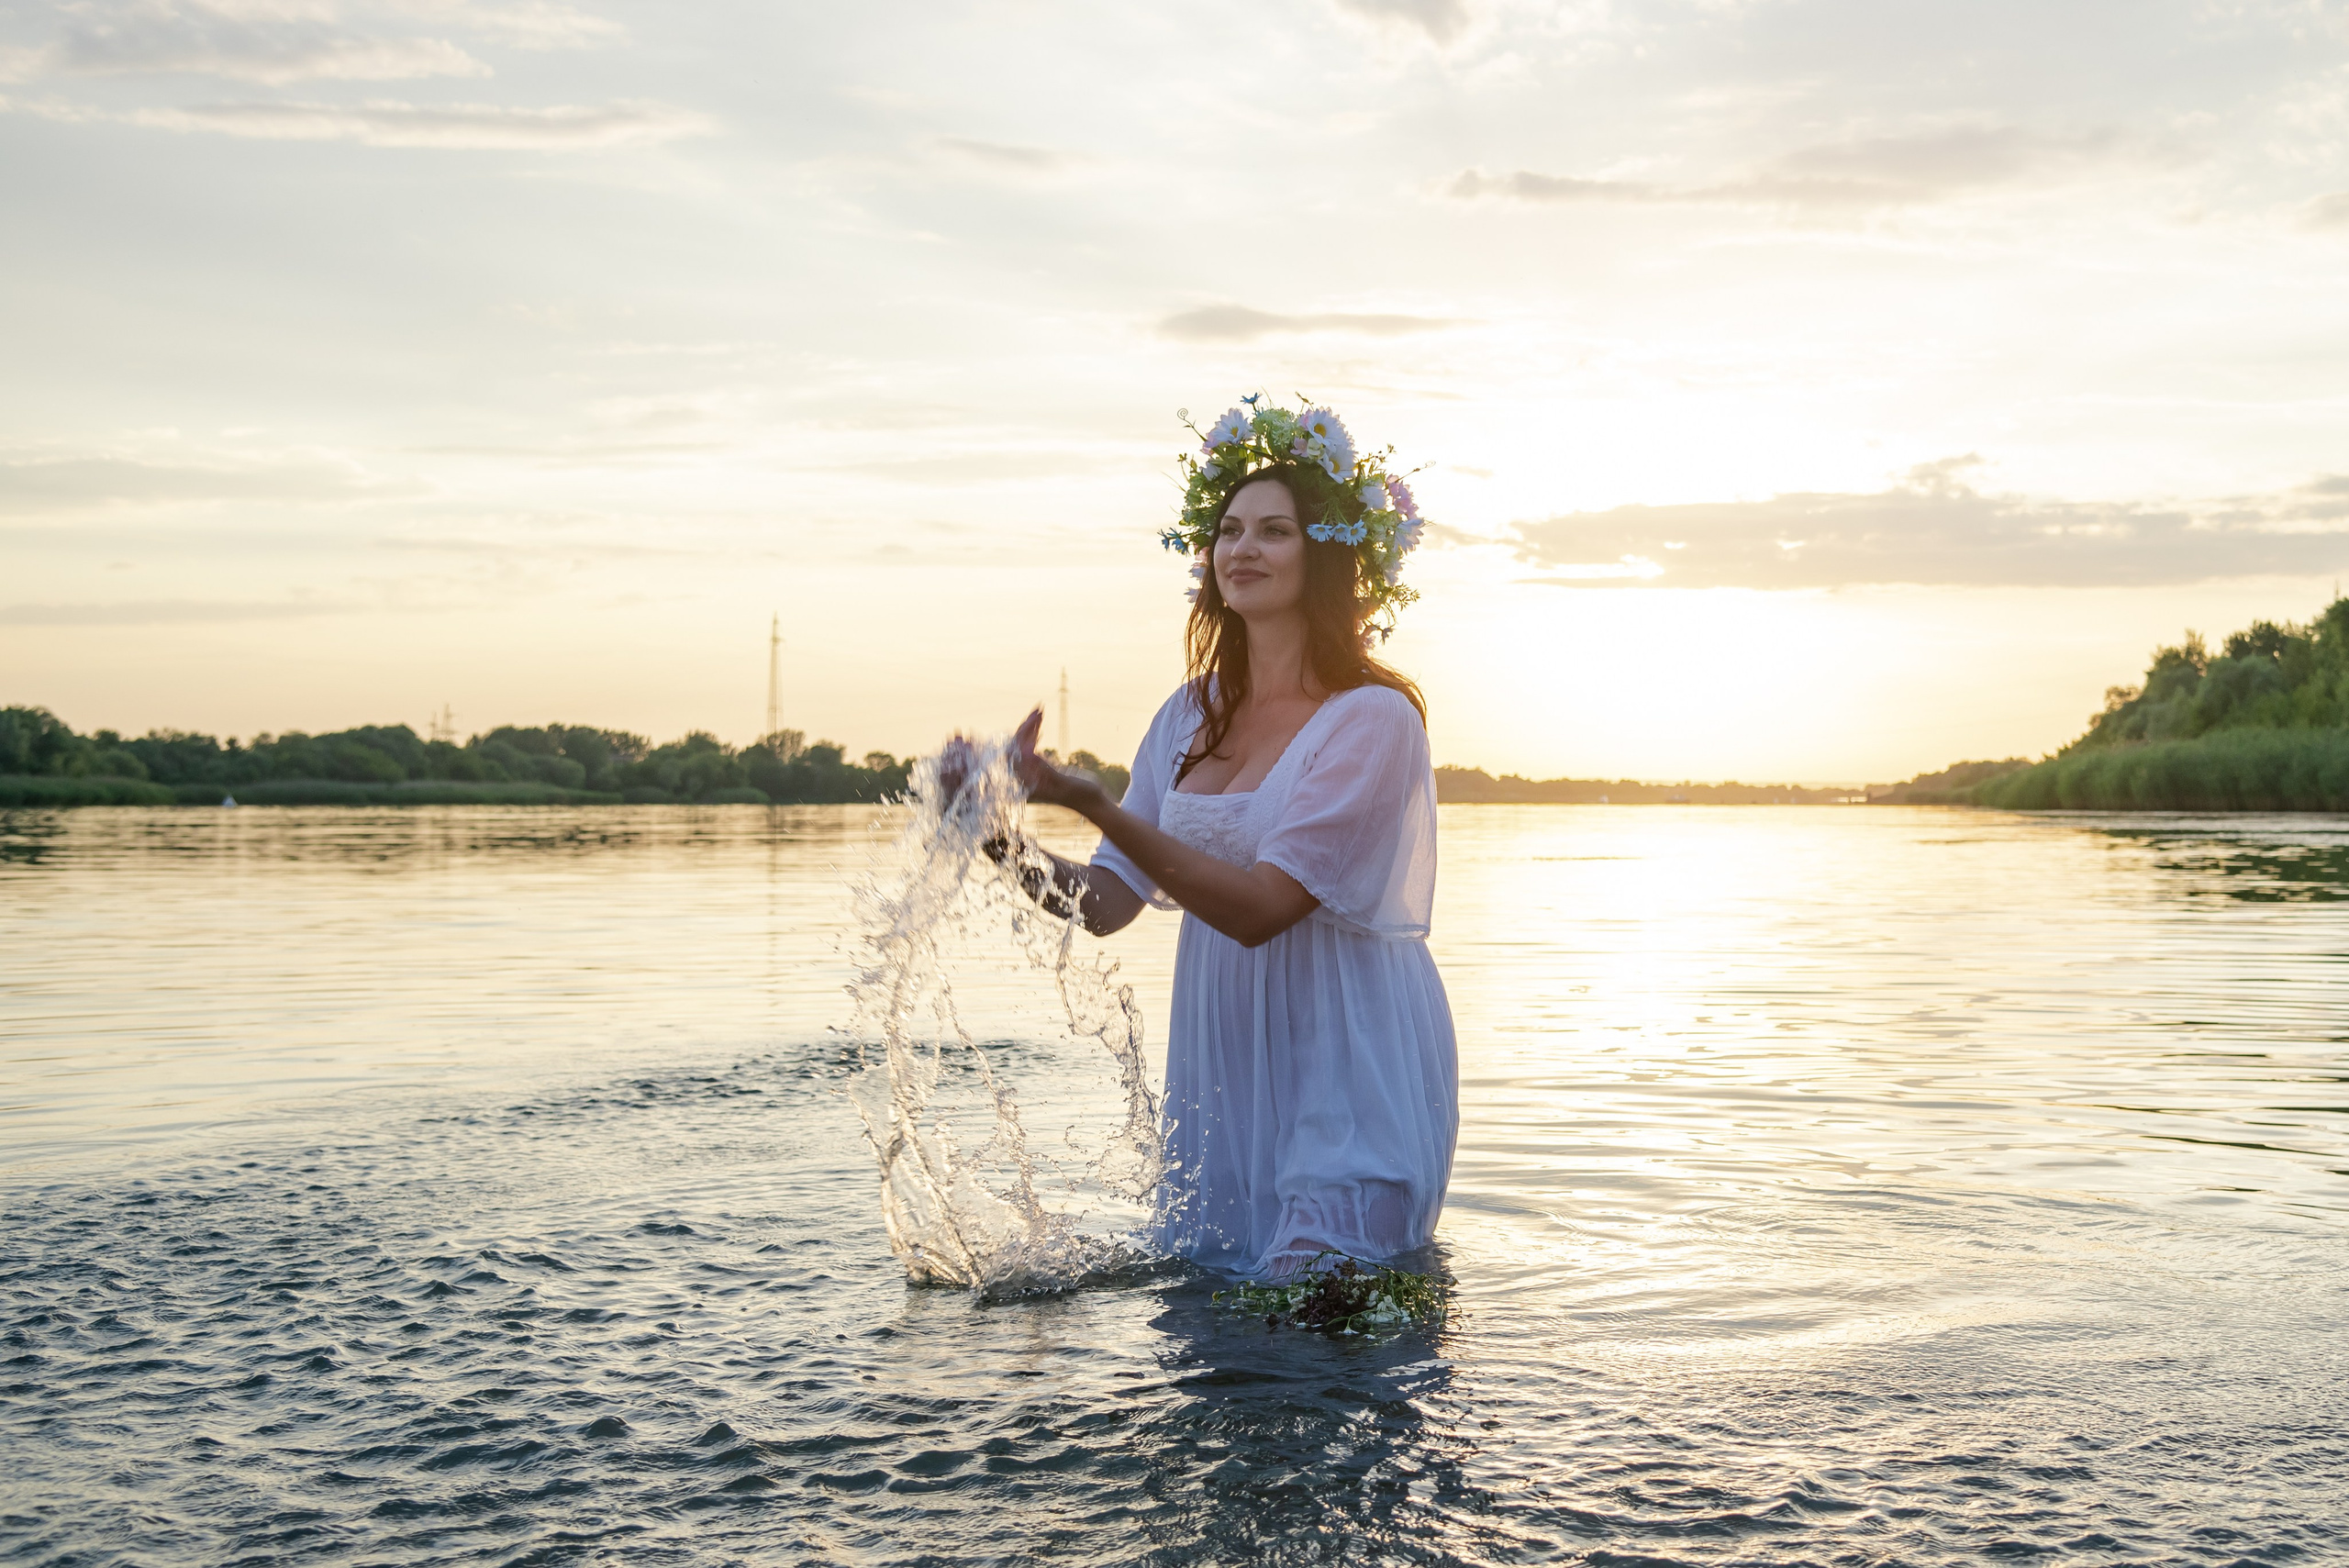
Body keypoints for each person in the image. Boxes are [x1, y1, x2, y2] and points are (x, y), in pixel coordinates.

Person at [988, 397, 1457, 1278]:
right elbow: (1105, 904)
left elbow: (1263, 910)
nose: (1242, 549)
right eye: (1230, 529)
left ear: (1325, 555)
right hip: (1225, 1077)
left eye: (1275, 530)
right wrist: (993, 837)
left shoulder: (1374, 720)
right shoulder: (1187, 715)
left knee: (1327, 1329)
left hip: (1350, 1064)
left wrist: (1092, 802)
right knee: (1222, 1350)